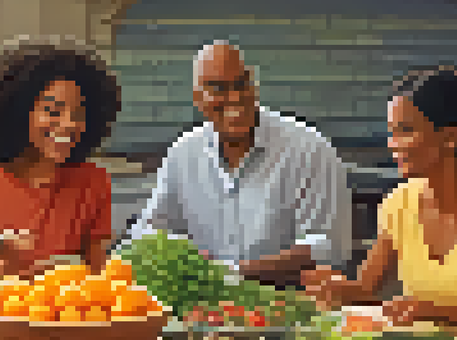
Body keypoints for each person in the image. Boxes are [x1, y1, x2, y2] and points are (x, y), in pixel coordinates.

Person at [302, 67, 457, 329]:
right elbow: (365, 288)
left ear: (449, 137)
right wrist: (336, 286)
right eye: (391, 132)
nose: (393, 144)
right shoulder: (400, 203)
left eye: (405, 131)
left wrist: (438, 312)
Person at [126, 41, 351, 287]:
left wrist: (228, 273)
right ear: (197, 98)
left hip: (291, 308)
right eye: (218, 88)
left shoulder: (310, 149)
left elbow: (327, 248)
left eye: (241, 84)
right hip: (202, 309)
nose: (234, 98)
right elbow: (149, 232)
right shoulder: (184, 153)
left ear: (253, 85)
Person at [0, 37, 121, 278]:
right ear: (18, 113)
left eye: (78, 113)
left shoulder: (93, 181)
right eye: (53, 112)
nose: (69, 124)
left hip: (67, 312)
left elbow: (100, 272)